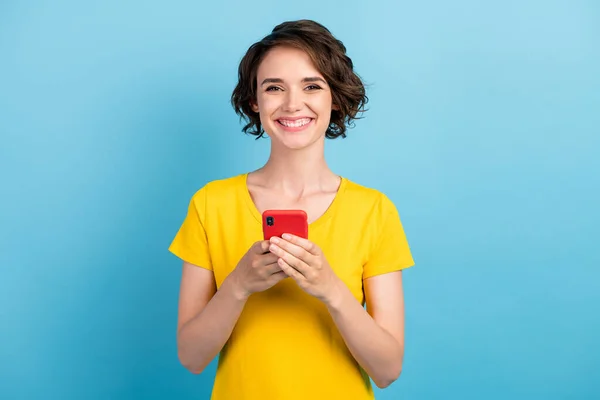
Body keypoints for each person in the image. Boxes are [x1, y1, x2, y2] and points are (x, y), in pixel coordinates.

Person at [169, 19, 415, 400]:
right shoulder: (211, 204)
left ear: (334, 98)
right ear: (255, 101)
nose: (292, 104)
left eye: (312, 86)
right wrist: (239, 285)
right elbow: (191, 357)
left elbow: (387, 370)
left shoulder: (374, 212)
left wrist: (330, 289)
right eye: (274, 88)